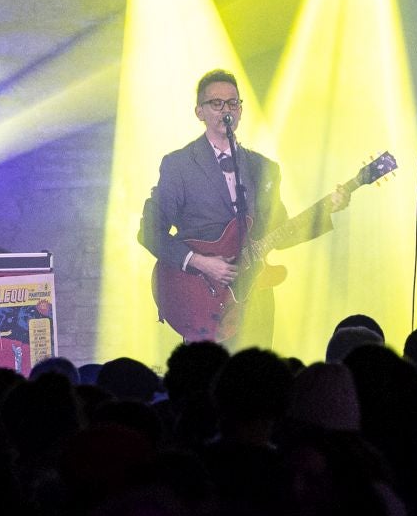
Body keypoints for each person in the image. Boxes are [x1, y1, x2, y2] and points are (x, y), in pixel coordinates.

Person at [140, 68, 345, 347]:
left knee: (258, 380)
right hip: (204, 296)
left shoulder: (263, 168)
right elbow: (150, 231)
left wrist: (327, 210)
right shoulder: (180, 165)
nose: (227, 110)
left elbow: (279, 230)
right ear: (199, 112)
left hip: (256, 296)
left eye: (233, 103)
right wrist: (201, 262)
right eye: (217, 103)